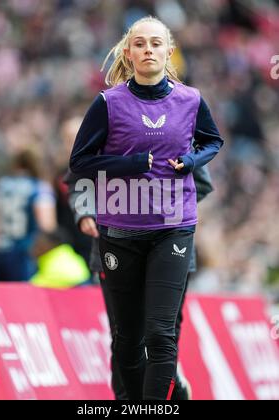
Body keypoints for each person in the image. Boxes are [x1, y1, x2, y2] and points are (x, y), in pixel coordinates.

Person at [69, 16, 223, 400]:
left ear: (169, 51)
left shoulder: (190, 101)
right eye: (140, 44)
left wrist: (189, 164)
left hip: (173, 232)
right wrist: (129, 167)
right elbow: (79, 166)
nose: (149, 50)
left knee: (163, 332)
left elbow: (212, 145)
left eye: (156, 43)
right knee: (126, 339)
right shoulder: (108, 104)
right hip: (118, 234)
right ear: (129, 52)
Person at [66, 164, 213, 400]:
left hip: (171, 249)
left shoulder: (181, 130)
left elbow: (202, 183)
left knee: (162, 335)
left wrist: (157, 206)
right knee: (124, 334)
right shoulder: (101, 131)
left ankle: (171, 393)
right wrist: (85, 212)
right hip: (113, 250)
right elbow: (78, 179)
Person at [0, 149, 57, 281]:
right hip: (25, 253)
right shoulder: (39, 188)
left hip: (1, 250)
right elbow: (47, 225)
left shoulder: (2, 185)